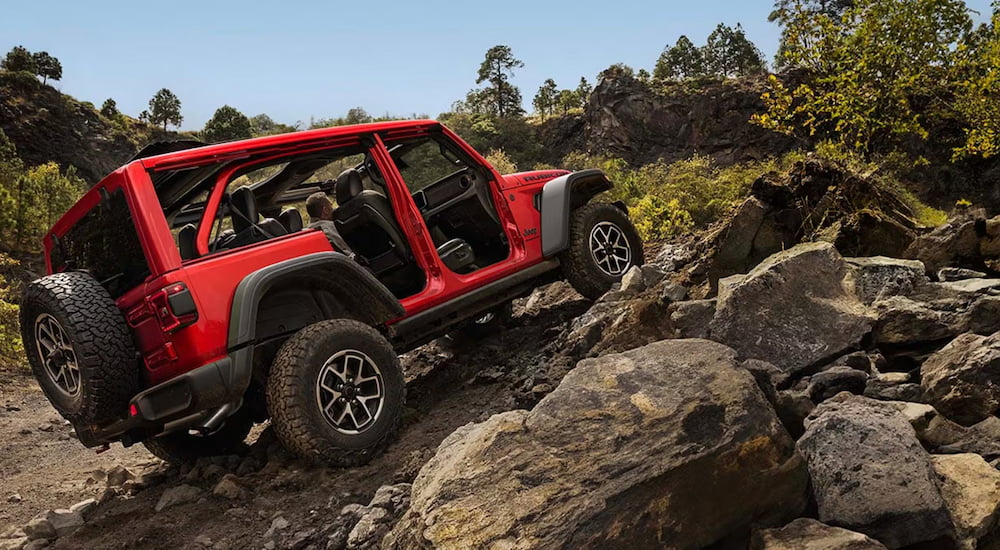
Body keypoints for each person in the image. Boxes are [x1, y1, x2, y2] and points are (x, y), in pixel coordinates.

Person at [305, 192, 356, 260]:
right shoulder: (329, 228)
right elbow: (349, 253)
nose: (333, 209)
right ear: (325, 210)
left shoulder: (308, 233)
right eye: (331, 206)